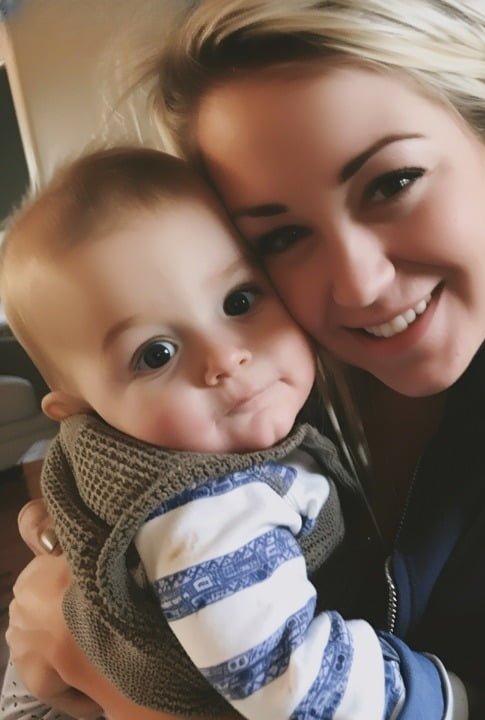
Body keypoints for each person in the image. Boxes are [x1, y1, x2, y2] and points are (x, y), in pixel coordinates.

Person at [6, 0, 485, 717]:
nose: (359, 285)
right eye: (280, 238)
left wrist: (111, 683)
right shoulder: (263, 393)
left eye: (392, 183)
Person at [0, 146, 438, 720]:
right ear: (84, 411)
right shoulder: (208, 514)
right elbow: (296, 688)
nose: (226, 358)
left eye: (239, 301)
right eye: (156, 354)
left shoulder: (223, 440)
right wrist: (442, 699)